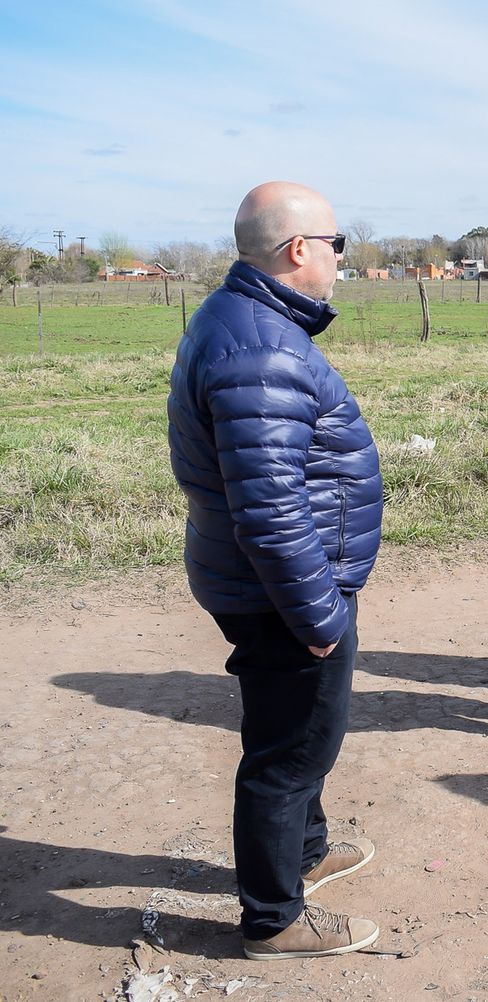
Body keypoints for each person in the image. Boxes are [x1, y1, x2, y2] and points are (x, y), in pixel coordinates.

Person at [167, 182, 383, 959]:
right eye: (336, 243)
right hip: (283, 592)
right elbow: (269, 509)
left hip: (272, 582)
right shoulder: (261, 346)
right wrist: (320, 617)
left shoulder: (247, 323)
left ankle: (305, 852)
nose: (338, 259)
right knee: (288, 753)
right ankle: (274, 918)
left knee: (300, 736)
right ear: (299, 250)